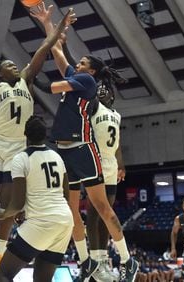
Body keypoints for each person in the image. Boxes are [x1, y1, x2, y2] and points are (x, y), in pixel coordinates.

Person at [0, 8, 74, 280]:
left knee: (9, 203)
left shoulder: (27, 79)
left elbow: (45, 47)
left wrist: (57, 26)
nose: (13, 66)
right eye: (7, 65)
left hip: (18, 149)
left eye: (13, 64)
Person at [30, 4, 138, 282]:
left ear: (90, 71)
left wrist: (28, 76)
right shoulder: (77, 78)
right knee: (70, 210)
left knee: (102, 208)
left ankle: (127, 260)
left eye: (81, 64)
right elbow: (56, 51)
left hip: (82, 148)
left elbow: (48, 87)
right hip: (63, 150)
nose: (76, 64)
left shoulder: (85, 84)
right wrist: (47, 22)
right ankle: (86, 260)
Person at [0, 115, 74, 282]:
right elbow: (66, 195)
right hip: (64, 221)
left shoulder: (21, 159)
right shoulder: (57, 157)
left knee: (2, 274)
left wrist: (1, 213)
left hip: (42, 221)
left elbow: (17, 203)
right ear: (45, 135)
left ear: (26, 135)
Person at [85, 69, 126, 282]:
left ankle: (103, 261)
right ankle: (95, 260)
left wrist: (121, 165)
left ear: (112, 95)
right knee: (95, 213)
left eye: (105, 90)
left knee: (107, 214)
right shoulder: (93, 107)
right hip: (95, 161)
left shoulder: (116, 115)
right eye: (98, 89)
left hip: (110, 163)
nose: (102, 91)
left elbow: (118, 143)